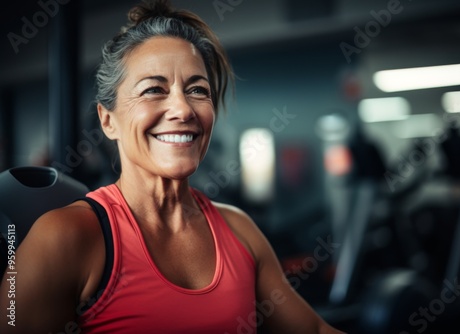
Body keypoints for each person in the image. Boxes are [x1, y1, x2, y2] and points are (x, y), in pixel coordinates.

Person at [0, 1, 345, 333]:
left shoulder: (239, 229)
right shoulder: (64, 237)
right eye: (153, 89)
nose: (183, 109)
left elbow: (313, 329)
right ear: (108, 121)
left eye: (197, 89)